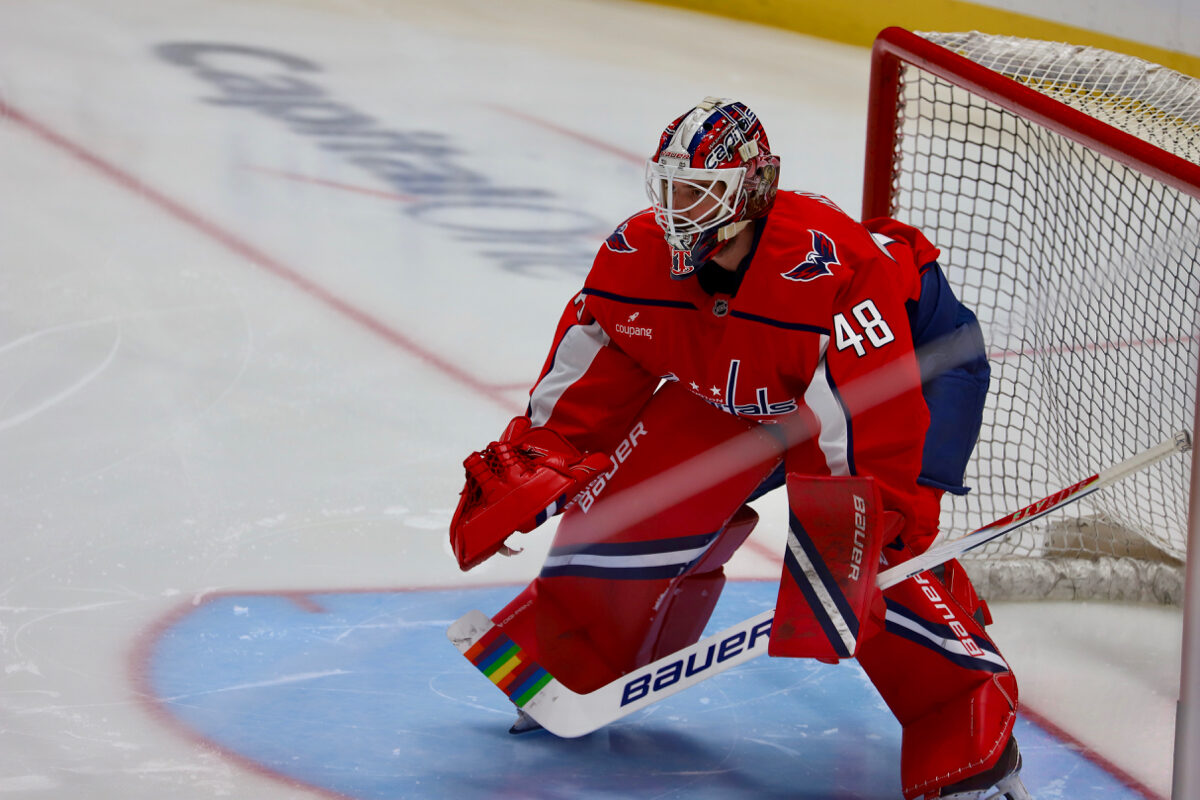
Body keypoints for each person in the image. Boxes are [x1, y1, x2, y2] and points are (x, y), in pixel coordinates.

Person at [450, 97, 1027, 800]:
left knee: (872, 548)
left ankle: (964, 724)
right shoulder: (636, 257)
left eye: (697, 194)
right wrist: (540, 462)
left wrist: (850, 548)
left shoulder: (829, 273)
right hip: (756, 380)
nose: (675, 213)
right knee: (631, 500)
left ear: (751, 191)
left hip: (913, 371)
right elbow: (587, 390)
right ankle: (573, 657)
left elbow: (869, 438)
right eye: (668, 191)